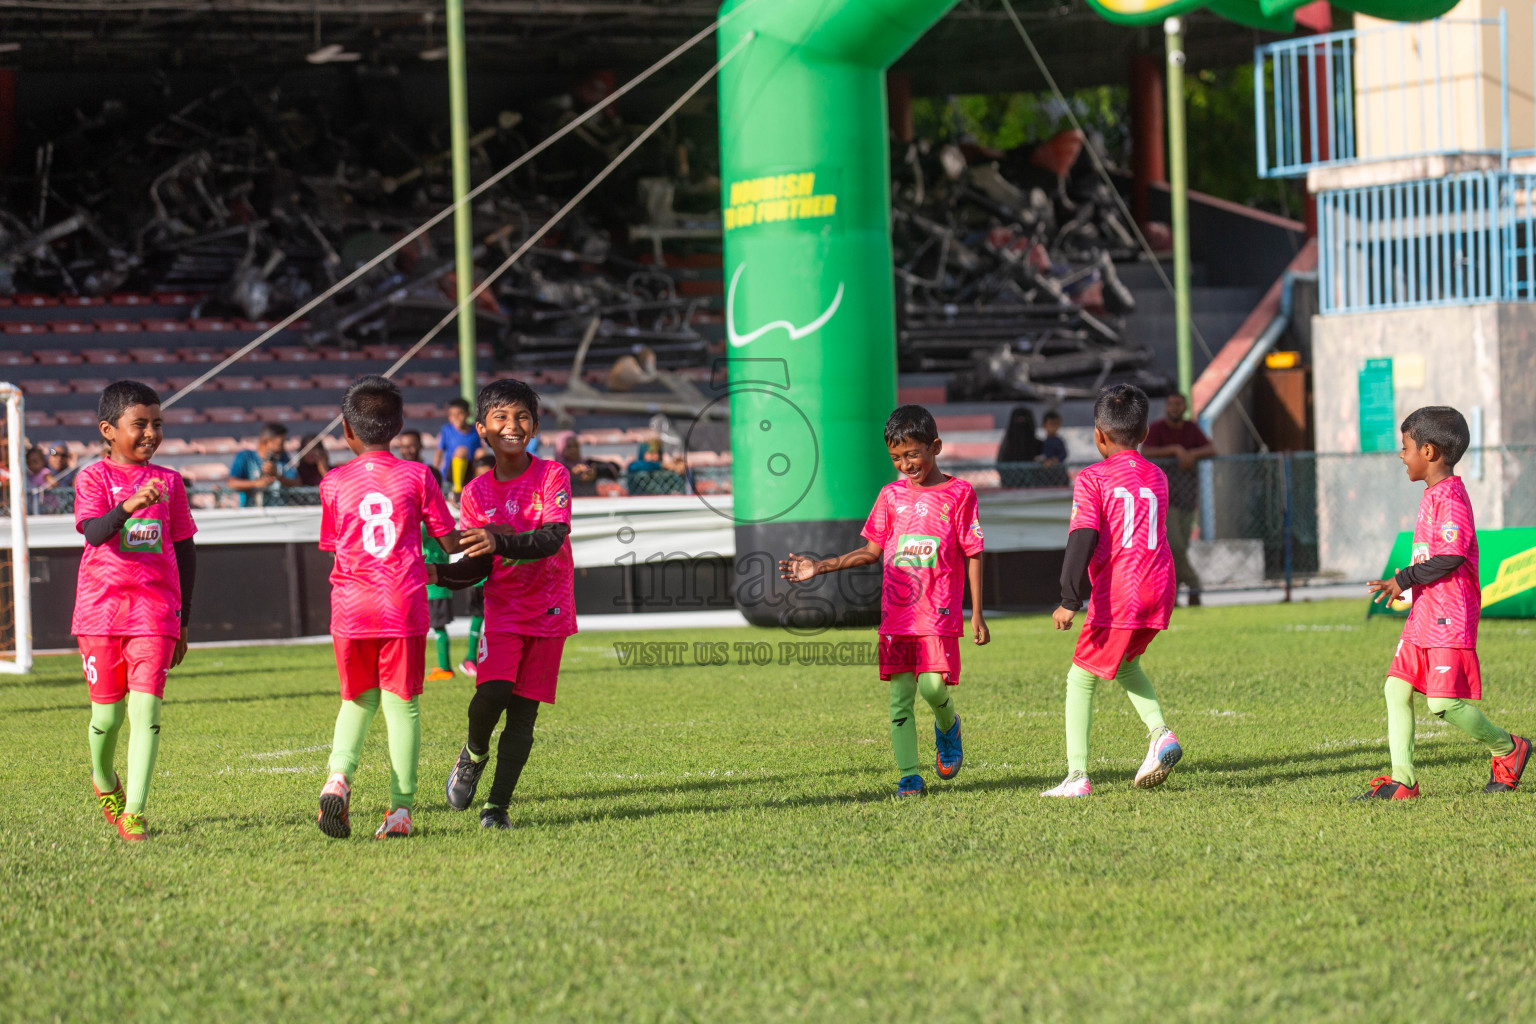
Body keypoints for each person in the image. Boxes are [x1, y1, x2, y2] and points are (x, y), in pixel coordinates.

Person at [779, 405, 989, 797]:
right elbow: (871, 551)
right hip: (897, 617)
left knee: (931, 687)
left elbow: (973, 550)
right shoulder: (890, 497)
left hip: (939, 613)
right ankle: (909, 774)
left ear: (935, 447)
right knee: (899, 698)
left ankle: (948, 725)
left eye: (913, 454)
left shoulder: (960, 494)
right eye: (896, 457)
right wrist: (820, 566)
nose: (906, 464)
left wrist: (976, 612)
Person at [314, 376, 462, 841]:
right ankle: (399, 809)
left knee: (357, 699)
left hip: (351, 606)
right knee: (403, 706)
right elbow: (448, 541)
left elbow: (334, 545)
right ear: (398, 427)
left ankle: (338, 778)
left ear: (346, 431)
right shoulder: (418, 476)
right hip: (402, 602)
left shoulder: (333, 482)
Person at [1358, 407, 1530, 799]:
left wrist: (1401, 579)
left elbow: (1451, 557)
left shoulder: (1451, 496)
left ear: (1430, 451)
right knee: (1395, 689)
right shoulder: (1432, 495)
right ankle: (1403, 781)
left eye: (1406, 448)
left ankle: (1508, 748)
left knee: (1443, 702)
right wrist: (1409, 585)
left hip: (1449, 616)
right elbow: (1433, 556)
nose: (1402, 456)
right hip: (1425, 613)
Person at [433, 379, 576, 831]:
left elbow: (553, 538)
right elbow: (476, 564)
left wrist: (500, 540)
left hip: (551, 606)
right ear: (481, 429)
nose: (512, 425)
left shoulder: (553, 475)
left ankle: (496, 808)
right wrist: (434, 573)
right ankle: (474, 754)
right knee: (491, 692)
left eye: (522, 417)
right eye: (501, 417)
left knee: (524, 714)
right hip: (503, 609)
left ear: (534, 427)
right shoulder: (474, 494)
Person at [1042, 383, 1183, 799]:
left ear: (1098, 435)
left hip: (1122, 591)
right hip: (1160, 586)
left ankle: (1077, 777)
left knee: (1080, 678)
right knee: (1125, 663)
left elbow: (1082, 536)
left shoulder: (1092, 478)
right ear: (1144, 434)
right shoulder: (1157, 474)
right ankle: (1160, 734)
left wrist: (1070, 598)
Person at [71, 380, 198, 842]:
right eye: (139, 424)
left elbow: (185, 552)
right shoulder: (92, 478)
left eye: (157, 424)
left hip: (155, 612)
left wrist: (182, 620)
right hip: (100, 614)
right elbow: (95, 532)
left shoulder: (170, 482)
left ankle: (135, 812)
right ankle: (104, 780)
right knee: (107, 718)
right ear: (109, 429)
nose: (150, 433)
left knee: (146, 713)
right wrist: (128, 505)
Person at [1141, 394, 1215, 606]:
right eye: (1171, 403)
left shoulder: (1191, 429)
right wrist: (1174, 450)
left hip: (1188, 496)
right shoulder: (1156, 428)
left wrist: (1191, 454)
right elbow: (1145, 451)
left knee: (1180, 546)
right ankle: (1193, 583)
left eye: (1179, 404)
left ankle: (1170, 594)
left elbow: (1211, 448)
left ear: (1185, 407)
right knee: (1173, 545)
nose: (1174, 407)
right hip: (1163, 498)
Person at [458, 455, 496, 678]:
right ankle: (470, 658)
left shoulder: (503, 497)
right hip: (481, 566)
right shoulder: (471, 500)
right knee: (480, 613)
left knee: (496, 616)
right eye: (478, 476)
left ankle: (486, 658)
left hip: (503, 566)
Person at [228, 423, 298, 507]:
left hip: (280, 511)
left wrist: (277, 476)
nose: (283, 447)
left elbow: (297, 482)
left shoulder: (283, 457)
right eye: (280, 444)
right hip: (251, 511)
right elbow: (231, 483)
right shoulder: (246, 457)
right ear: (266, 442)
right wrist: (256, 483)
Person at [423, 524, 455, 683]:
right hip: (440, 586)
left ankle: (445, 668)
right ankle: (444, 666)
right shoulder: (441, 526)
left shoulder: (425, 527)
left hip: (433, 587)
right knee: (438, 627)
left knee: (439, 627)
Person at [435, 398, 481, 495]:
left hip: (470, 469)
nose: (455, 418)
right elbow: (439, 452)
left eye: (459, 414)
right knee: (462, 451)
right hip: (452, 472)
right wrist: (434, 473)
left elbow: (478, 451)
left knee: (481, 453)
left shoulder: (475, 430)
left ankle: (483, 484)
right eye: (452, 415)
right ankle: (457, 489)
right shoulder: (446, 430)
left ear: (468, 414)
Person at [556, 431, 615, 498]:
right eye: (569, 447)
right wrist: (571, 472)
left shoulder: (587, 463)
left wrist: (595, 472)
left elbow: (614, 467)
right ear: (560, 448)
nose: (573, 450)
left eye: (576, 446)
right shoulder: (554, 468)